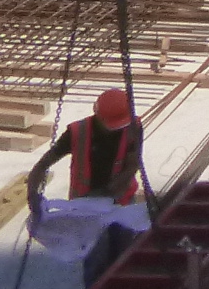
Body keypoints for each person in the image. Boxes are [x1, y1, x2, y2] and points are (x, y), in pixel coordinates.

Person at [29, 88, 144, 216]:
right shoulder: (77, 132)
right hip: (82, 204)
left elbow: (132, 165)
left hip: (122, 201)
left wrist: (107, 194)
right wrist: (33, 194)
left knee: (123, 234)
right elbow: (43, 164)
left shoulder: (133, 128)